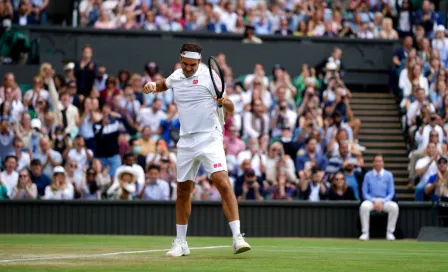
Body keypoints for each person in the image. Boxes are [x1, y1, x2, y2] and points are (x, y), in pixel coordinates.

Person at [143, 42, 251, 256]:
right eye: (185, 64)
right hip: (186, 141)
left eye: (193, 65)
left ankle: (237, 237)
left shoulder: (211, 77)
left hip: (210, 137)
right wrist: (152, 86)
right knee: (183, 190)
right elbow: (164, 84)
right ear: (180, 59)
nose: (189, 68)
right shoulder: (176, 75)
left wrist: (224, 101)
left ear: (199, 62)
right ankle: (181, 243)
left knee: (221, 181)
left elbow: (230, 108)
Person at [359, 154, 398, 241]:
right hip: (371, 200)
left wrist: (383, 201)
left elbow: (391, 192)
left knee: (394, 207)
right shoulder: (367, 175)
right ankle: (365, 232)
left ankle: (390, 232)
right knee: (364, 206)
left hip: (384, 201)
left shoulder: (389, 175)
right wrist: (373, 201)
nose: (378, 163)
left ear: (383, 163)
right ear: (373, 163)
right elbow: (364, 193)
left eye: (380, 161)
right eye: (376, 161)